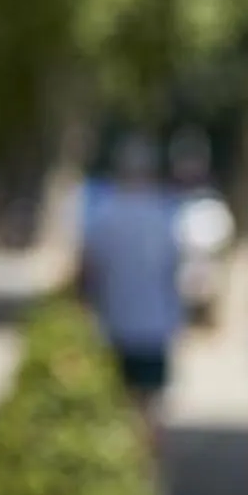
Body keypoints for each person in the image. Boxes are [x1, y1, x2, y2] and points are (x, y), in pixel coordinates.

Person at [75, 132, 187, 450]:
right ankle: (148, 480)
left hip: (114, 325)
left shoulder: (104, 216)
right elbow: (175, 272)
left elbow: (87, 272)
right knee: (150, 413)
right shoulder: (165, 217)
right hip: (153, 327)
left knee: (119, 413)